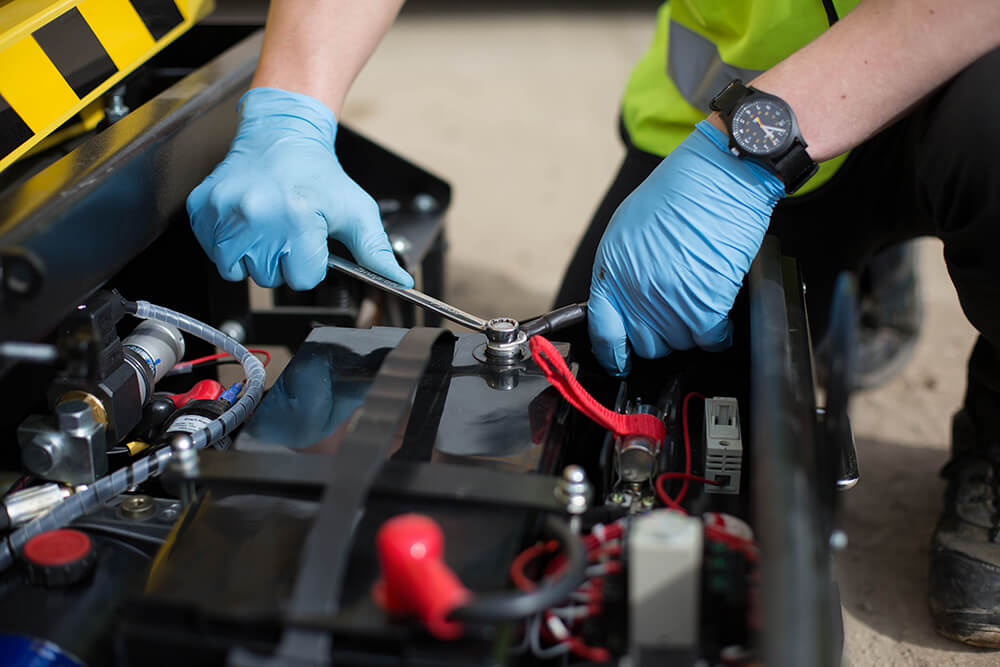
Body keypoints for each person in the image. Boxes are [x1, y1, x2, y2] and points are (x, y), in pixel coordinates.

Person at [187, 0, 1000, 647]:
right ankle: (853, 255)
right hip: (717, 115)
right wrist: (291, 108)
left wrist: (750, 151)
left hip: (937, 82)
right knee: (585, 398)